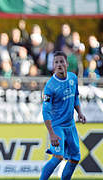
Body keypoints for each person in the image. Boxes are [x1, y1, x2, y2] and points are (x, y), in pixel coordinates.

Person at [40, 51, 86, 180]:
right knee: (58, 157)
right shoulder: (50, 86)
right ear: (53, 65)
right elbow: (45, 111)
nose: (59, 64)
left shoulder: (73, 78)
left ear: (67, 63)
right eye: (56, 62)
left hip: (70, 125)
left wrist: (80, 113)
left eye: (61, 61)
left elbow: (75, 97)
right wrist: (51, 133)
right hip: (57, 126)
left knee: (75, 158)